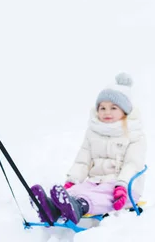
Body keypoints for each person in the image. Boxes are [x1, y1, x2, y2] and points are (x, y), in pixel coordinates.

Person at [30, 73, 146, 224]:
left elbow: (133, 164)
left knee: (100, 195)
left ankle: (78, 207)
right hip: (95, 182)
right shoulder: (93, 132)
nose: (107, 112)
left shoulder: (135, 135)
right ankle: (51, 209)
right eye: (102, 108)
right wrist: (72, 181)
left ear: (125, 111)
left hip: (124, 188)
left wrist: (122, 185)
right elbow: (83, 160)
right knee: (76, 191)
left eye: (113, 108)